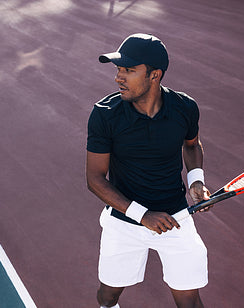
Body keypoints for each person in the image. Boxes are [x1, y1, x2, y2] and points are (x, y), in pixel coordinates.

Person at [86, 33, 211, 308]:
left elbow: (191, 145)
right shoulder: (105, 114)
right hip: (123, 222)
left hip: (176, 218)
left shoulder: (185, 108)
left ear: (155, 75)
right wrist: (143, 216)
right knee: (108, 296)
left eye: (129, 70)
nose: (119, 77)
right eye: (118, 69)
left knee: (189, 300)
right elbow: (95, 179)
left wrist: (196, 181)